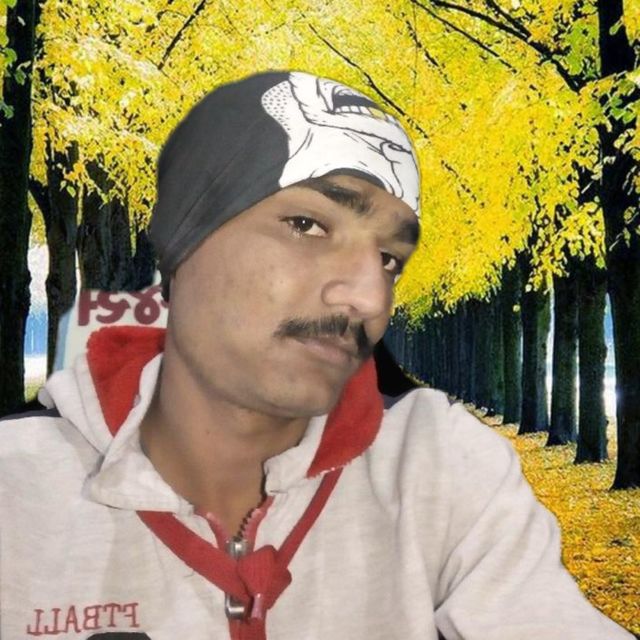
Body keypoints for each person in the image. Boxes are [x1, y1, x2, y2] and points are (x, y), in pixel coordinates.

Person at [0, 71, 633, 640]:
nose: (368, 296)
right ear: (185, 238)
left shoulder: (437, 466)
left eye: (388, 258)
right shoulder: (16, 493)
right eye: (307, 225)